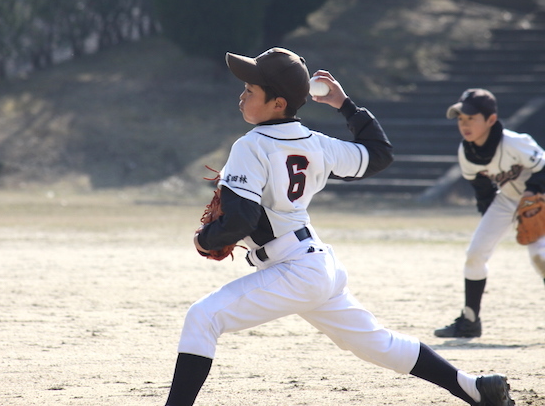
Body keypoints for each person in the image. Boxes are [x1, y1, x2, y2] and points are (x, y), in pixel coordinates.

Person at [164, 48, 514, 406]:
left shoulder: (250, 146)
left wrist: (205, 240)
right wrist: (344, 104)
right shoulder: (318, 144)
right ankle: (475, 388)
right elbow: (379, 153)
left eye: (251, 90)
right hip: (317, 265)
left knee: (202, 317)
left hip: (293, 269)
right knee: (378, 343)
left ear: (278, 102)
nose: (242, 94)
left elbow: (242, 220)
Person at [434, 88, 545, 338]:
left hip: (540, 198)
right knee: (475, 254)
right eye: (461, 119)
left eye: (471, 118)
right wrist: (493, 222)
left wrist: (532, 192)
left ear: (491, 120)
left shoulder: (516, 143)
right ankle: (470, 321)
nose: (465, 124)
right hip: (506, 201)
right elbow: (483, 192)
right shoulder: (468, 152)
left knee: (540, 257)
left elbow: (542, 169)